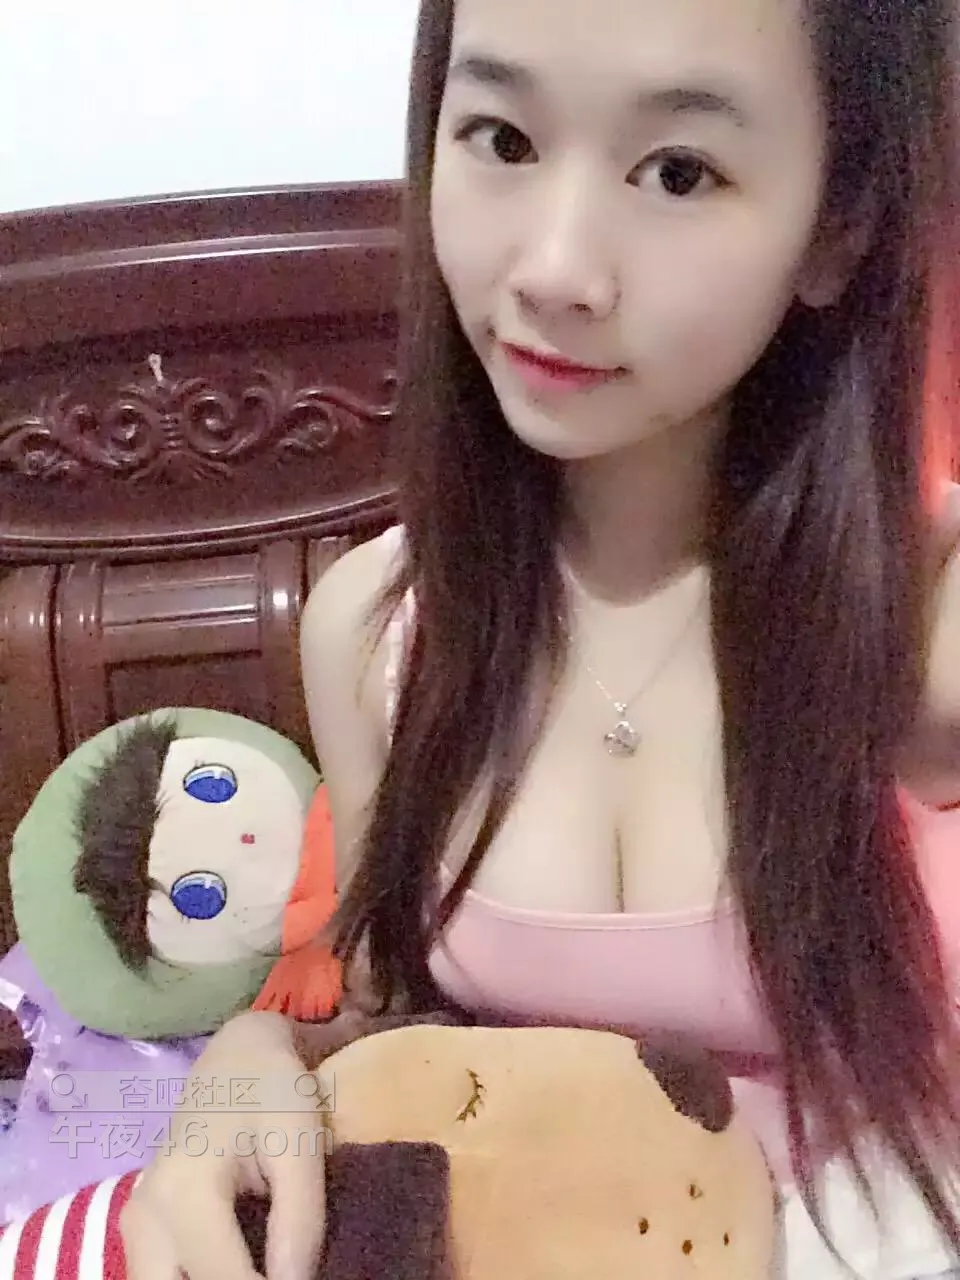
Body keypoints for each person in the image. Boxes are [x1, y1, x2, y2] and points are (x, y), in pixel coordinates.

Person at [120, 0, 960, 1276]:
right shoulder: (380, 634)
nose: (556, 267)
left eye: (679, 171)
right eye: (504, 139)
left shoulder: (923, 618)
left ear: (838, 228)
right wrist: (246, 1060)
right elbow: (397, 1015)